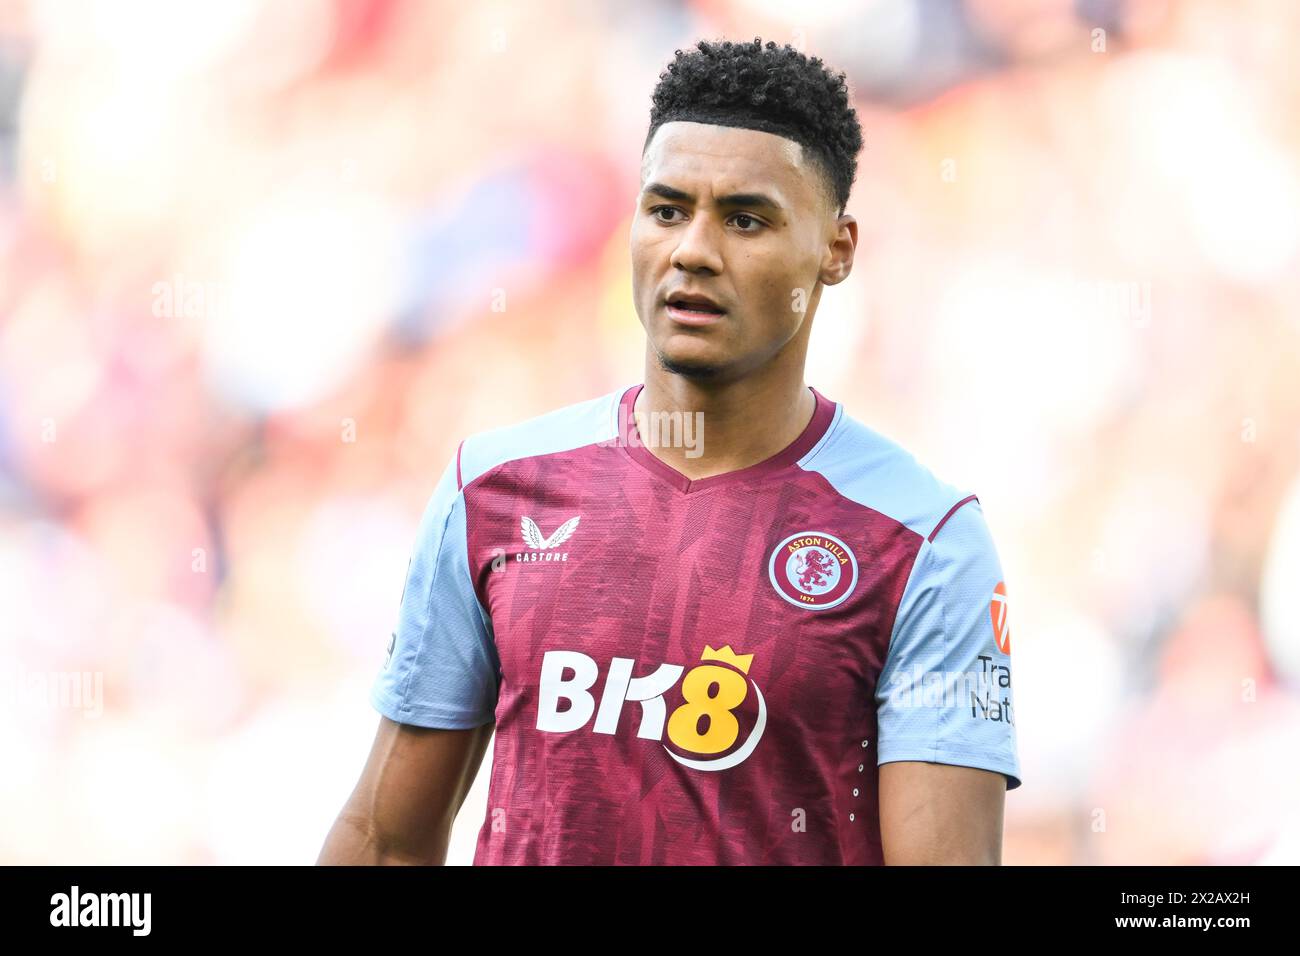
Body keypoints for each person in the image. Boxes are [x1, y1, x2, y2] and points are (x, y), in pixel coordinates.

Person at [318, 36, 1020, 866]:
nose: (692, 249)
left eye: (746, 219)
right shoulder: (495, 489)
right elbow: (384, 838)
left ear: (837, 248)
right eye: (666, 209)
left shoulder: (923, 544)